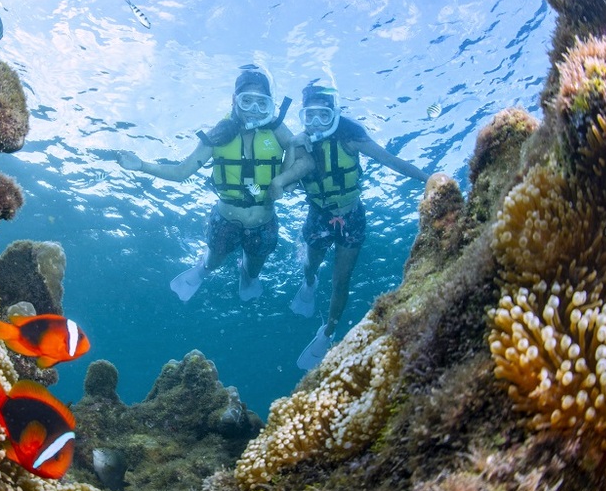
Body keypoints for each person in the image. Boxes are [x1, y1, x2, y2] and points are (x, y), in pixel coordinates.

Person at [117, 65, 310, 302]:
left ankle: (247, 276)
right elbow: (181, 172)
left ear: (270, 105)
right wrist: (141, 165)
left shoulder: (276, 129)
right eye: (246, 101)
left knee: (253, 270)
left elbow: (303, 158)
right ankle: (202, 269)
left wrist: (283, 178)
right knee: (213, 262)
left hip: (264, 223)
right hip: (225, 220)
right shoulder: (220, 133)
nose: (254, 110)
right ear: (234, 101)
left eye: (261, 103)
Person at [289, 81, 430, 370]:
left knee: (341, 280)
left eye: (324, 115)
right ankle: (309, 283)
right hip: (318, 215)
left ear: (335, 114)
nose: (316, 123)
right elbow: (287, 183)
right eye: (309, 116)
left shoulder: (350, 136)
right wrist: (292, 147)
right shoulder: (300, 143)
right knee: (311, 265)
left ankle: (327, 332)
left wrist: (428, 179)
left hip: (352, 216)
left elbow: (391, 161)